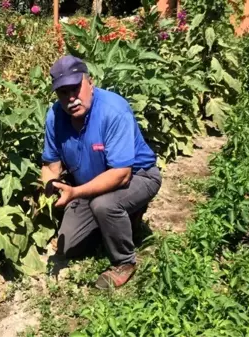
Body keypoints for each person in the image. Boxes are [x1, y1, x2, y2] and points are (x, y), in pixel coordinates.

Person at [40, 55, 162, 289]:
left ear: (90, 82)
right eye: (63, 93)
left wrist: (75, 192)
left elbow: (121, 174)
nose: (71, 98)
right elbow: (50, 164)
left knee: (104, 205)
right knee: (69, 247)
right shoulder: (55, 116)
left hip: (139, 176)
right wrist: (50, 184)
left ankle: (124, 262)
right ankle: (116, 225)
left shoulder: (113, 110)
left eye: (75, 88)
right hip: (90, 187)